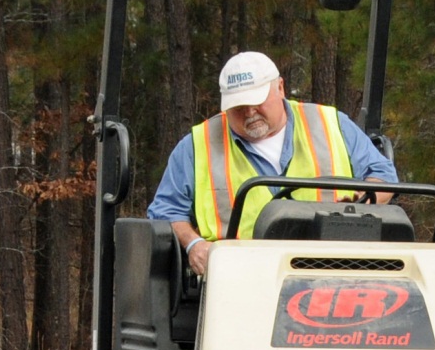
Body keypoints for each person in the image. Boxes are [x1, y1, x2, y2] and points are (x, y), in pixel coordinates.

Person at [147, 51, 399, 276]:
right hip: (239, 277)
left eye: (257, 100)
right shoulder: (197, 145)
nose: (249, 112)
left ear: (280, 87)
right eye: (238, 106)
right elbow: (166, 210)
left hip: (333, 269)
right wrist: (194, 244)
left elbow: (383, 175)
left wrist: (363, 203)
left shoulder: (331, 124)